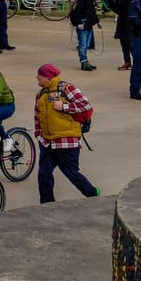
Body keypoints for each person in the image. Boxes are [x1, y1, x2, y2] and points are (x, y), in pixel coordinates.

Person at [34, 64, 99, 203]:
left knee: (72, 174)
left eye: (39, 75)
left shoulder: (66, 88)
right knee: (44, 175)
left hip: (66, 142)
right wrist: (39, 135)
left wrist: (64, 106)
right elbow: (37, 115)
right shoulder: (40, 94)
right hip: (47, 143)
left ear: (47, 77)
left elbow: (85, 106)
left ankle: (93, 194)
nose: (36, 78)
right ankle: (47, 204)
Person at [69, 0, 103, 71]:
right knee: (83, 44)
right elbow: (76, 12)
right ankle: (83, 62)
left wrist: (97, 22)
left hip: (88, 25)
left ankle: (86, 61)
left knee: (87, 44)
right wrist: (77, 23)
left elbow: (92, 12)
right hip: (82, 25)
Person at [111, 0, 135, 71]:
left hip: (129, 27)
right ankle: (127, 62)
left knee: (131, 47)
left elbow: (122, 10)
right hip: (122, 27)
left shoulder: (131, 1)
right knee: (124, 47)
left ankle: (137, 63)